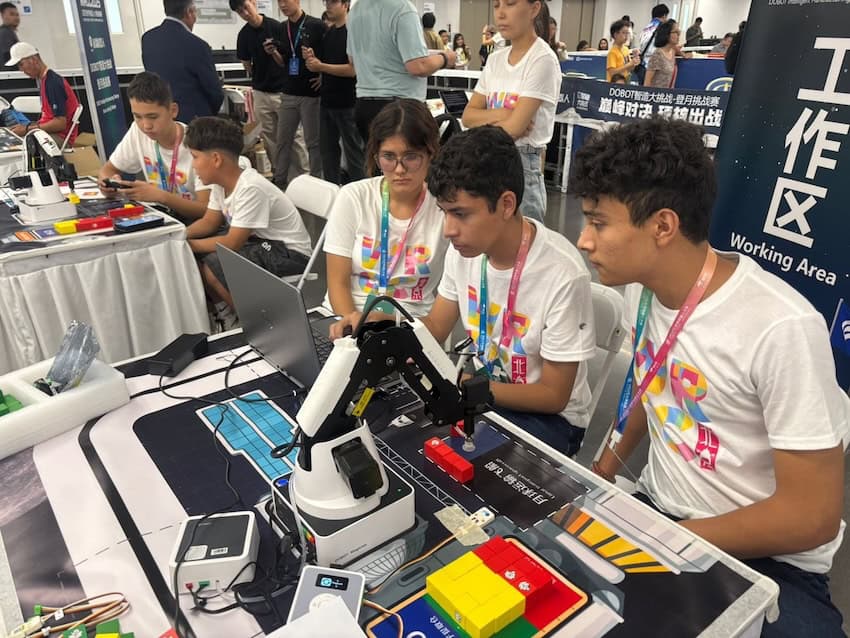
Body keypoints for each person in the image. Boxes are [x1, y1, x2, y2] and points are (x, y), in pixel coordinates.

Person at [569, 117, 849, 638]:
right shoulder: (644, 287)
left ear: (662, 226)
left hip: (769, 561)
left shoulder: (781, 328)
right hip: (661, 513)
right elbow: (654, 390)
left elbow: (812, 517)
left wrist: (670, 539)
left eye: (598, 222)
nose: (583, 240)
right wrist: (600, 475)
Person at [420, 126, 595, 456]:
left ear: (506, 204)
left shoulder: (562, 275)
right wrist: (387, 332)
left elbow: (553, 395)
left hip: (551, 418)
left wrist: (468, 389)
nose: (448, 231)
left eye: (460, 213)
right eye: (444, 212)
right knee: (416, 436)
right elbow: (436, 326)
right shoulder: (465, 253)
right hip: (487, 392)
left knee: (459, 461)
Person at [325, 99, 448, 332]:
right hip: (346, 318)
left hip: (409, 324)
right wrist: (353, 326)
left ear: (431, 153)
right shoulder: (354, 197)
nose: (399, 169)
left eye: (411, 157)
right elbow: (337, 282)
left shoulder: (443, 207)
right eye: (389, 157)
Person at [185, 116, 312, 328]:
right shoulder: (220, 184)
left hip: (290, 253)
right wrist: (180, 235)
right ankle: (227, 313)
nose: (193, 165)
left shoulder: (250, 188)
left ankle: (256, 324)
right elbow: (209, 222)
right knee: (203, 255)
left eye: (195, 157)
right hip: (263, 243)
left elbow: (232, 243)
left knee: (214, 262)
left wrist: (188, 245)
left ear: (216, 159)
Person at [462, 0, 561, 224]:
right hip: (488, 158)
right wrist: (504, 114)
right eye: (496, 5)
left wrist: (489, 118)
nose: (501, 14)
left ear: (534, 9)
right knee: (492, 243)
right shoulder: (496, 59)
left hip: (523, 162)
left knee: (524, 247)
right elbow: (468, 116)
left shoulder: (542, 59)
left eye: (510, 4)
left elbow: (516, 129)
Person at [98, 72, 210, 220]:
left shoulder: (198, 144)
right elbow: (107, 170)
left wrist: (161, 197)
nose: (146, 126)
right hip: (161, 217)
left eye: (153, 117)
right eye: (137, 116)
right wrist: (109, 184)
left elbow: (207, 211)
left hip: (194, 223)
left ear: (173, 110)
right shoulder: (137, 131)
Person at [346, 0, 455, 144]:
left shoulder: (355, 10)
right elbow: (418, 66)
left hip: (364, 103)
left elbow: (352, 59)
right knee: (407, 163)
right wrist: (445, 58)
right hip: (400, 109)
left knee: (376, 163)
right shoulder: (402, 8)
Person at [263, 0, 324, 189]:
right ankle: (280, 180)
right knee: (283, 140)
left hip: (311, 93)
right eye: (279, 2)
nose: (282, 5)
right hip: (289, 92)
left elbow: (329, 55)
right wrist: (273, 52)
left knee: (313, 142)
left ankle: (316, 182)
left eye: (286, 1)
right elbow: (284, 62)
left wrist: (323, 75)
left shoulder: (316, 25)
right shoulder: (282, 28)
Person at [303, 0, 365, 184]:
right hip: (327, 102)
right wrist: (314, 61)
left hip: (348, 103)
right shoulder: (329, 33)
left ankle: (360, 196)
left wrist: (321, 66)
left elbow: (353, 69)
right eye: (326, 2)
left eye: (333, 2)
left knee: (354, 155)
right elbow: (327, 64)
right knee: (328, 153)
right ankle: (332, 195)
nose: (328, 6)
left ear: (345, 4)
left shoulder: (352, 32)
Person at [230, 0, 287, 183]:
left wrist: (273, 53)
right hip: (261, 91)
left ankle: (302, 174)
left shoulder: (276, 27)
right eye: (240, 12)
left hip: (282, 91)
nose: (245, 13)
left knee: (293, 136)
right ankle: (280, 175)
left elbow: (285, 61)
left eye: (246, 7)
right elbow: (246, 62)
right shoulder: (244, 35)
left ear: (254, 3)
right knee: (270, 137)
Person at [141, 0, 223, 123]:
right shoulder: (198, 45)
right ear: (189, 12)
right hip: (195, 124)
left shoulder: (148, 39)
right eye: (195, 11)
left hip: (161, 120)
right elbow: (215, 93)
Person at [5, 43, 80, 145]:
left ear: (34, 60)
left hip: (60, 137)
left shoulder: (53, 83)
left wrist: (27, 129)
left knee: (20, 145)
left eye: (21, 64)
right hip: (49, 133)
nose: (21, 70)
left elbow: (60, 124)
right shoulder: (45, 80)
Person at [644, 20, 680, 88]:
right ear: (666, 34)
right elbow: (647, 82)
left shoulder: (672, 52)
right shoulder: (657, 55)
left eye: (679, 32)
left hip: (667, 95)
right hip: (656, 95)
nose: (678, 35)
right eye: (675, 32)